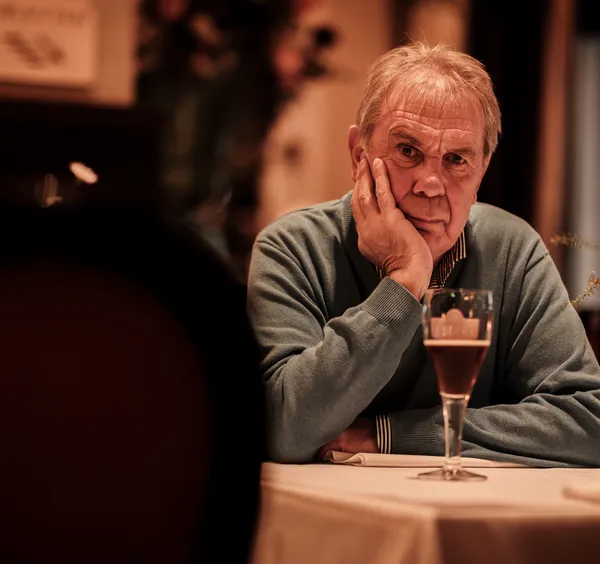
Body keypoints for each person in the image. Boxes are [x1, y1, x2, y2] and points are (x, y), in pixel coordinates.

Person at [246, 42, 600, 467]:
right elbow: (284, 429)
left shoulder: (512, 250)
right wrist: (404, 279)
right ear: (359, 154)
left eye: (456, 159)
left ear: (482, 170)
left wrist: (389, 435)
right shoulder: (291, 247)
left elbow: (588, 422)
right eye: (408, 151)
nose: (430, 185)